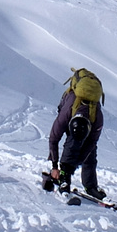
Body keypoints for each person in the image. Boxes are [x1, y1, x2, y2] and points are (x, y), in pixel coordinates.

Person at [47, 67, 105, 199]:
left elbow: (90, 146)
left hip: (86, 120)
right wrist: (55, 166)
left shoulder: (97, 119)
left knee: (90, 153)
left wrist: (74, 166)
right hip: (69, 108)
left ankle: (90, 186)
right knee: (72, 144)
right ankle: (64, 180)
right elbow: (53, 139)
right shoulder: (65, 115)